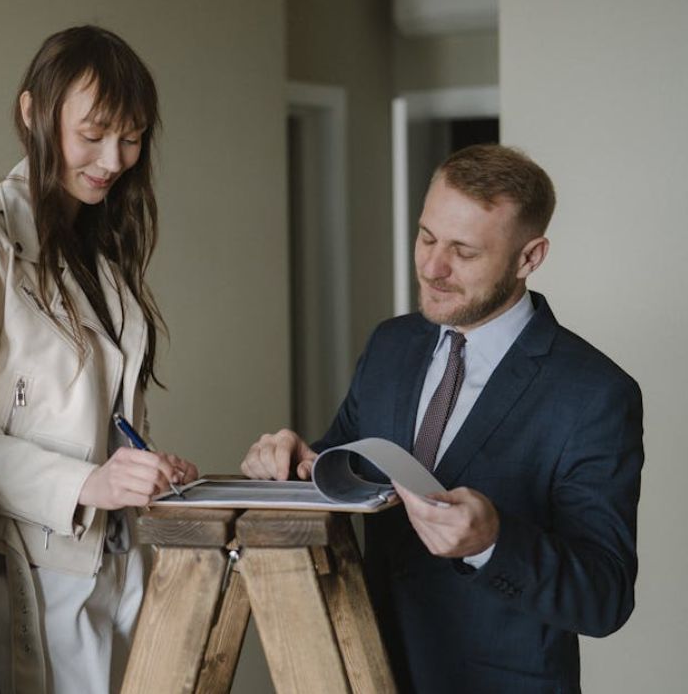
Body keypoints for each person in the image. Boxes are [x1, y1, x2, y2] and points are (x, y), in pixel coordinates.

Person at [241, 145, 643, 693]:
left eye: (464, 251)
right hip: (365, 669)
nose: (432, 268)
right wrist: (293, 460)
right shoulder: (390, 344)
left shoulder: (595, 394)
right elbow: (341, 467)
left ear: (530, 257)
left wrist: (493, 542)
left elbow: (605, 597)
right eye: (427, 237)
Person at [0, 25, 198, 694]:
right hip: (28, 575)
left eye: (130, 135)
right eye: (93, 132)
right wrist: (84, 485)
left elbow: (91, 416)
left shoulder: (101, 251)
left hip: (116, 563)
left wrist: (140, 467)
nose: (112, 157)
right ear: (33, 113)